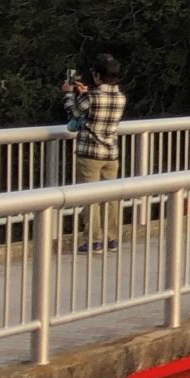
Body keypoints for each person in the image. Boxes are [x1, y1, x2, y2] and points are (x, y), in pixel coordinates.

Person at [67, 53, 127, 253]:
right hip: (111, 153)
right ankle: (111, 239)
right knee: (110, 197)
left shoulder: (92, 97)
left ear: (98, 75)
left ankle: (93, 241)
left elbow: (74, 112)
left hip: (90, 153)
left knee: (90, 197)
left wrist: (69, 93)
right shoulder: (120, 97)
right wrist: (86, 92)